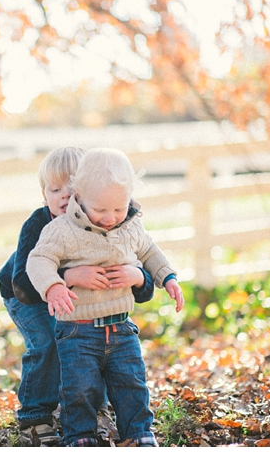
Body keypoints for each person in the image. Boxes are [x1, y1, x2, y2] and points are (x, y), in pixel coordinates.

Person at [0, 146, 157, 446]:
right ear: (44, 195)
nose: (65, 196)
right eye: (55, 189)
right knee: (48, 344)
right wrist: (68, 277)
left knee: (94, 345)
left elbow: (141, 276)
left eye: (72, 189)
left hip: (75, 301)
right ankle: (35, 416)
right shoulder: (38, 224)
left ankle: (94, 407)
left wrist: (141, 279)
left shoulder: (104, 222)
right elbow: (23, 284)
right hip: (26, 296)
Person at [26, 147, 184, 447]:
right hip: (78, 329)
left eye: (118, 209)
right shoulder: (60, 230)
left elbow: (149, 251)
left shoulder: (131, 225)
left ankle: (138, 433)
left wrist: (168, 277)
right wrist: (55, 285)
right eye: (101, 211)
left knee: (131, 382)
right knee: (79, 388)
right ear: (79, 197)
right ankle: (81, 435)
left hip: (121, 328)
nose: (110, 218)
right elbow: (38, 260)